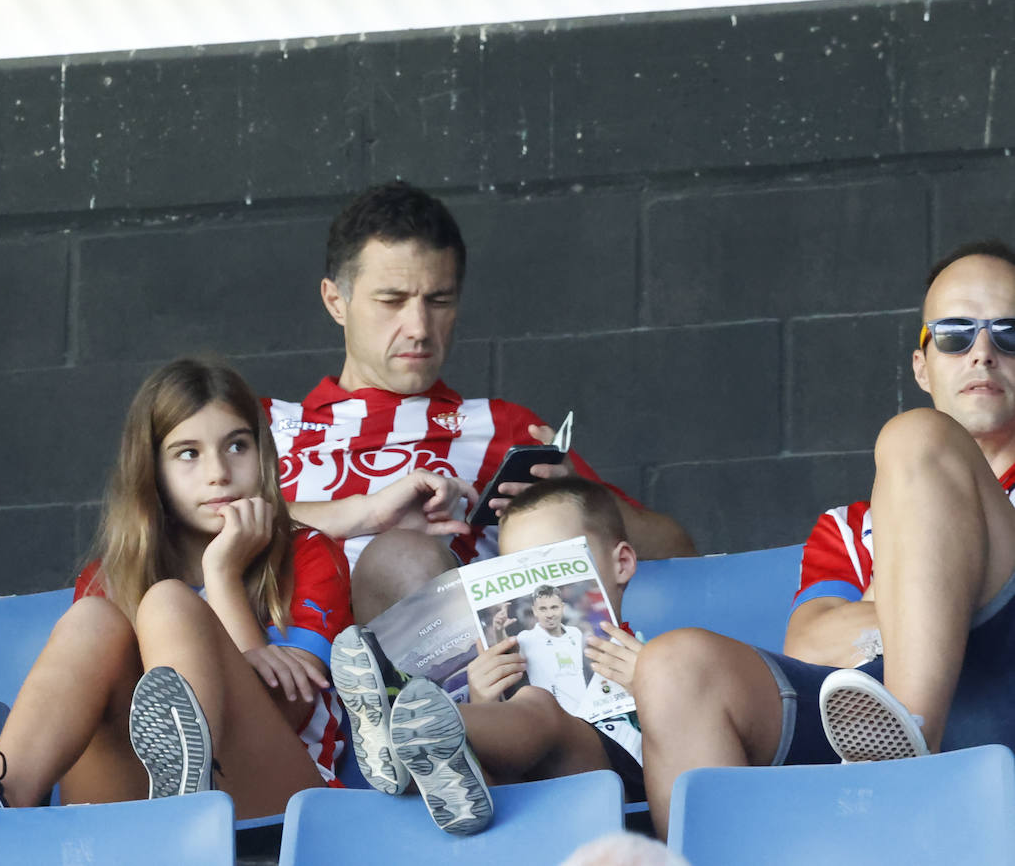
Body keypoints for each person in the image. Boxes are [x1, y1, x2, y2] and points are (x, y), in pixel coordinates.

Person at [632, 240, 1015, 838]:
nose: (983, 354)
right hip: (864, 723)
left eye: (1009, 333)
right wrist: (932, 600)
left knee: (918, 438)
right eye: (954, 335)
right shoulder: (848, 523)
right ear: (923, 365)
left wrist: (903, 597)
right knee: (672, 666)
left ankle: (910, 748)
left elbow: (849, 636)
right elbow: (812, 647)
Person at [0, 357, 352, 819]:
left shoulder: (310, 554)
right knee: (93, 618)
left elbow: (292, 712)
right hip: (135, 801)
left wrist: (223, 575)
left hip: (280, 802)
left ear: (263, 454)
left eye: (237, 446)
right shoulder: (109, 579)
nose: (218, 471)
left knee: (168, 603)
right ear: (152, 471)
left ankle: (188, 788)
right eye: (188, 453)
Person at [264, 181, 694, 622]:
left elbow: (677, 552)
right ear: (337, 301)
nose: (418, 326)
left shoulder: (504, 427)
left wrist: (579, 499)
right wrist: (363, 515)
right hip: (287, 666)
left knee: (405, 553)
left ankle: (413, 692)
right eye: (391, 301)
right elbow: (201, 531)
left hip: (467, 678)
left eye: (439, 301)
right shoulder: (260, 426)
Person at [331, 476, 646, 835]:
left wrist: (650, 687)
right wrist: (485, 697)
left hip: (617, 792)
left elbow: (681, 743)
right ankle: (430, 734)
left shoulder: (653, 659)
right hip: (520, 807)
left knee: (537, 703)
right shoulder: (516, 645)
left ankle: (403, 718)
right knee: (480, 752)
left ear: (621, 562)